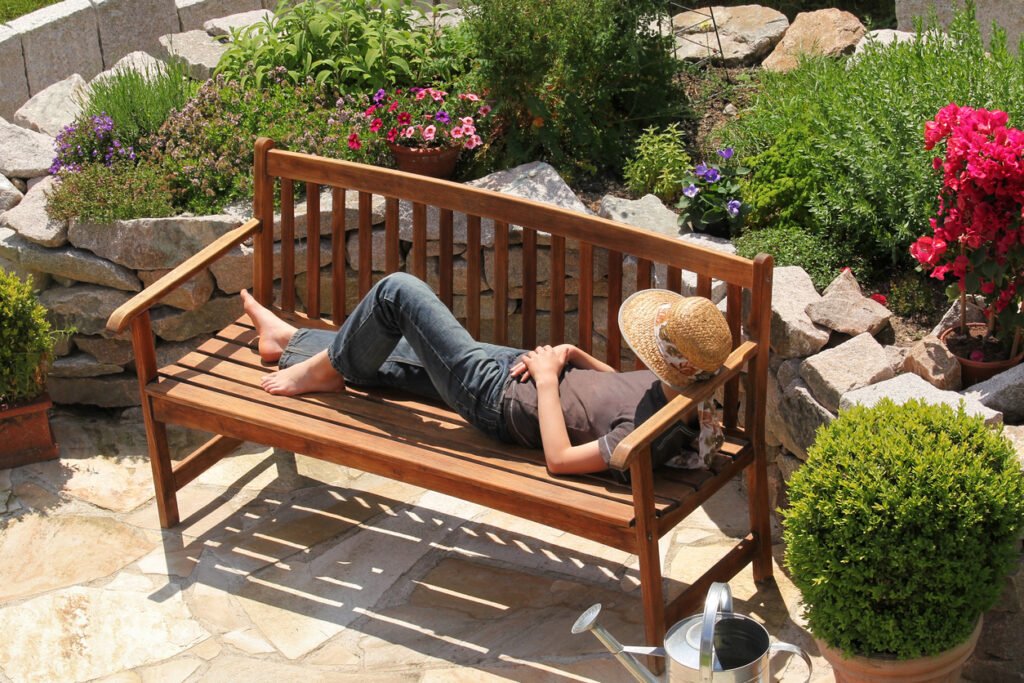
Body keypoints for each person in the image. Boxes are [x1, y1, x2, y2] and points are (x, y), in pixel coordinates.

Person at [241, 272, 732, 476]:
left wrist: (543, 379)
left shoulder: (648, 437)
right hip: (523, 371)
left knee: (397, 291)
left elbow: (559, 459)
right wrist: (570, 353)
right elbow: (616, 385)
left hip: (495, 398)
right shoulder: (680, 390)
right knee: (399, 357)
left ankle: (320, 368)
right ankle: (286, 342)